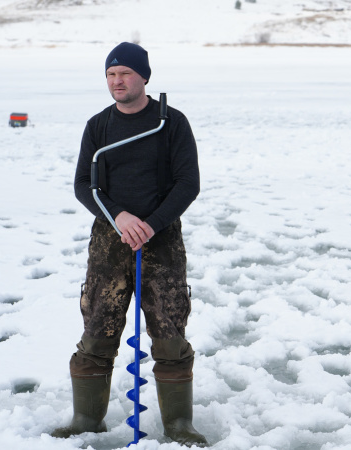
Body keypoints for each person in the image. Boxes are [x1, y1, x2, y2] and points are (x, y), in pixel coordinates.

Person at [52, 42, 207, 446]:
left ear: (144, 77)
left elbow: (188, 183)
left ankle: (179, 425)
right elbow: (83, 185)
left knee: (170, 334)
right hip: (109, 240)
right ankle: (86, 419)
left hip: (162, 240)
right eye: (110, 74)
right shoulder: (98, 126)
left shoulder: (171, 122)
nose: (117, 81)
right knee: (97, 330)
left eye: (124, 74)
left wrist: (151, 224)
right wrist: (118, 216)